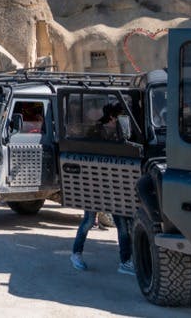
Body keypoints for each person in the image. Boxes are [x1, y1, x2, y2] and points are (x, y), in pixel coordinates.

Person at [70, 102, 134, 275]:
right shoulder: (96, 131)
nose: (124, 120)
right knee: (89, 221)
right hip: (95, 184)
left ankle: (125, 261)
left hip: (115, 185)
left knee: (122, 225)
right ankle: (76, 253)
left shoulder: (122, 132)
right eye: (120, 116)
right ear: (112, 117)